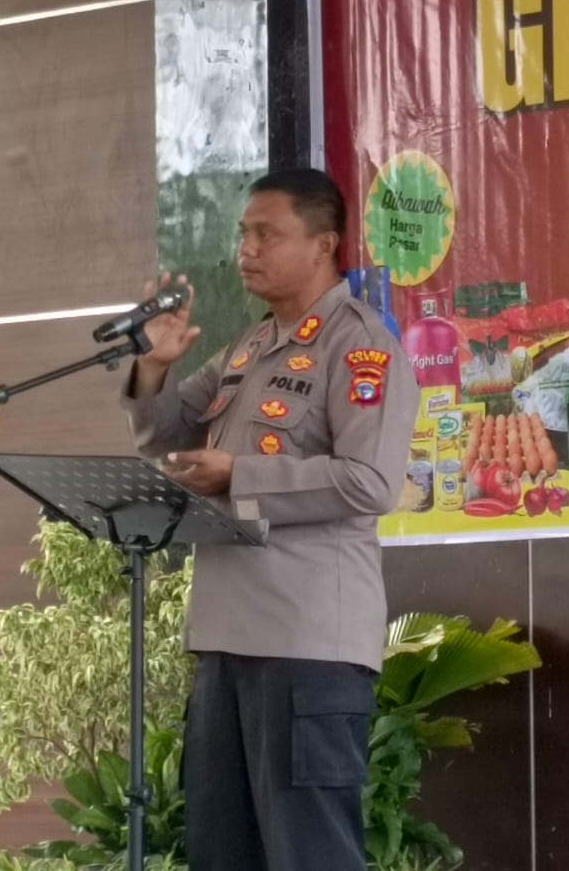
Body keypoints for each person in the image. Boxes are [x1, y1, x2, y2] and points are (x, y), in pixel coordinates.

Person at [119, 168, 419, 870]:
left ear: (323, 245)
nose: (245, 250)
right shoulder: (248, 347)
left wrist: (240, 474)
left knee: (308, 854)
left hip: (307, 642)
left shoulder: (361, 346)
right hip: (226, 637)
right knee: (222, 852)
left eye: (266, 234)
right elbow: (163, 433)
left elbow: (370, 482)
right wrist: (154, 366)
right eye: (242, 234)